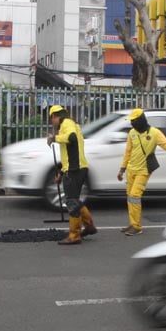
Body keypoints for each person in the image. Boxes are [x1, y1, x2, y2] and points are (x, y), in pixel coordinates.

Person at [117, 108, 166, 236]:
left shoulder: (155, 133)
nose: (132, 124)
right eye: (131, 121)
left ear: (140, 120)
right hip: (130, 170)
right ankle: (133, 223)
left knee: (135, 196)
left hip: (143, 170)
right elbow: (127, 152)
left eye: (133, 121)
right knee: (130, 198)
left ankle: (137, 227)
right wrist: (122, 169)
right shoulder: (132, 133)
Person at [47, 105, 97, 245]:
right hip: (77, 167)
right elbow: (68, 154)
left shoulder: (66, 124)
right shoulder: (72, 124)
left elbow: (72, 138)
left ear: (56, 116)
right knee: (74, 200)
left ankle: (75, 235)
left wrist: (54, 138)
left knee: (71, 202)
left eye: (52, 119)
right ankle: (89, 226)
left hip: (75, 169)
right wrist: (61, 173)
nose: (52, 122)